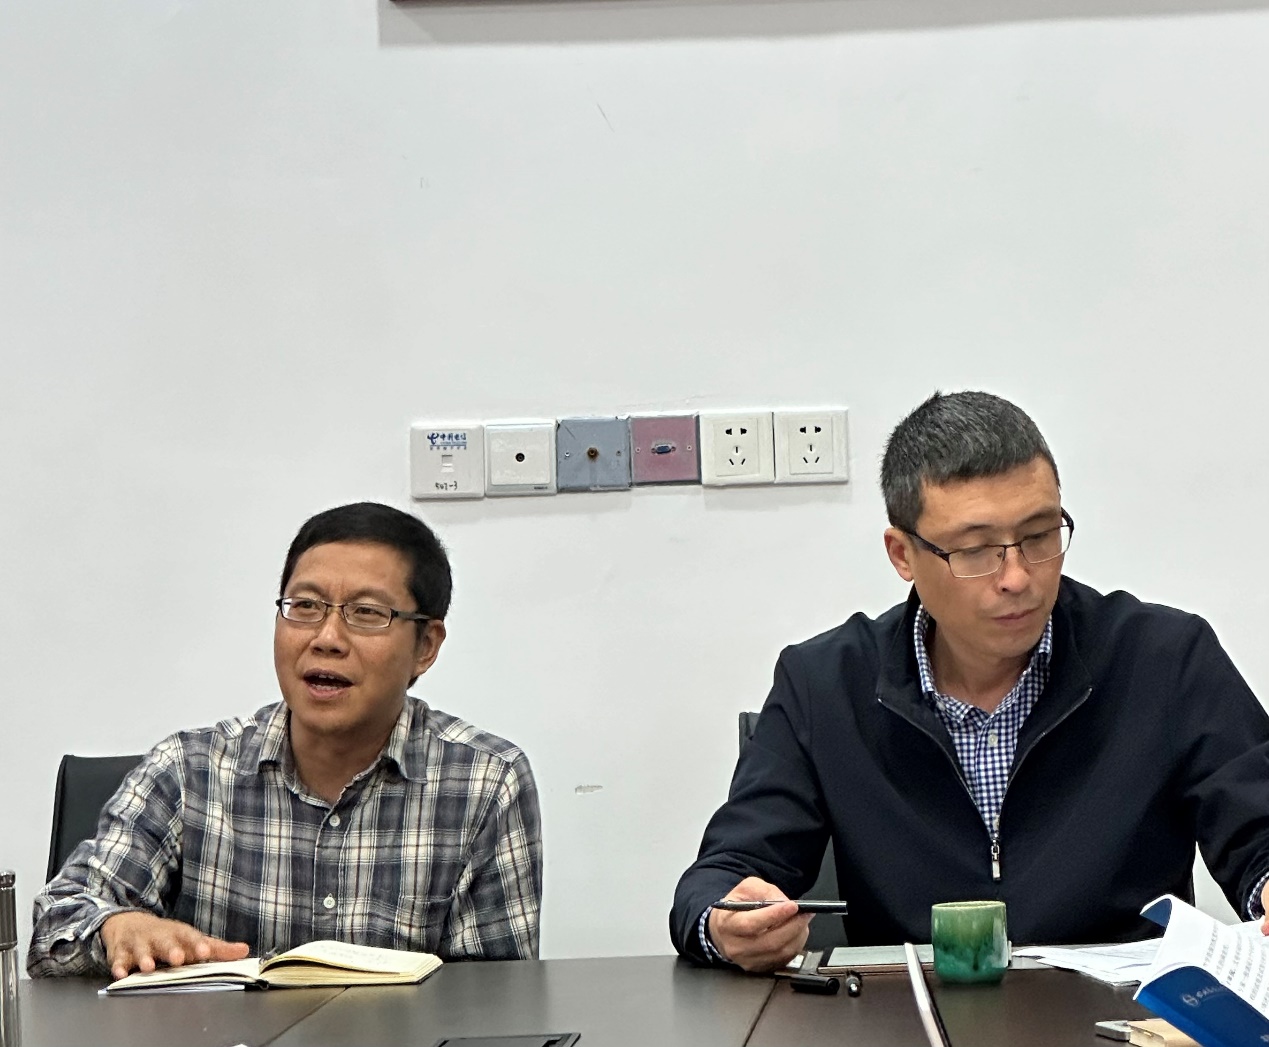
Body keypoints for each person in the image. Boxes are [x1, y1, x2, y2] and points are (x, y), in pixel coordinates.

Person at [670, 391, 1269, 971]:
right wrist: (725, 923)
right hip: (907, 1010)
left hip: (1121, 1012)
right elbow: (725, 875)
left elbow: (1257, 828)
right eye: (976, 550)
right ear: (902, 554)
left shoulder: (1164, 658)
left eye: (1039, 535)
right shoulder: (824, 684)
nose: (1017, 577)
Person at [29, 502, 542, 978]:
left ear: (426, 646)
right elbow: (56, 926)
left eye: (367, 613)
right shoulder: (188, 771)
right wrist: (116, 927)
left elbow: (496, 999)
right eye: (306, 606)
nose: (327, 638)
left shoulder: (484, 783)